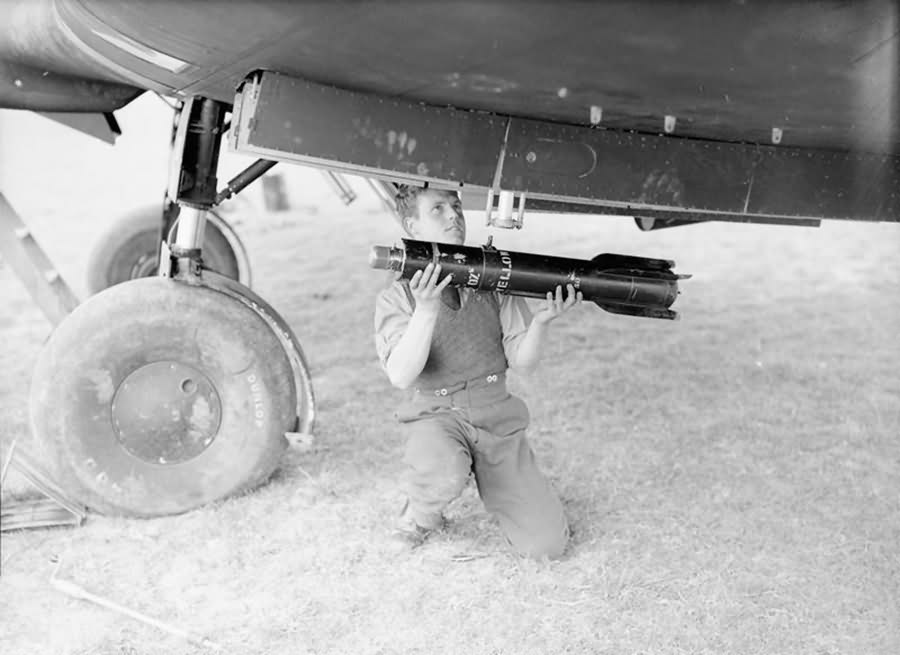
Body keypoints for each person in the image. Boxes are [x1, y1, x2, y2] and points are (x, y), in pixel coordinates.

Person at [373, 184, 582, 559]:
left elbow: (523, 362)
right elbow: (401, 375)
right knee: (442, 468)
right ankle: (421, 514)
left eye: (456, 206)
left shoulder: (493, 277)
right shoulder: (398, 296)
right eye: (437, 209)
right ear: (412, 226)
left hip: (495, 414)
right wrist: (426, 310)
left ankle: (511, 490)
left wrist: (541, 323)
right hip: (437, 415)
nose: (453, 215)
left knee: (546, 547)